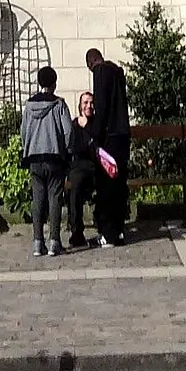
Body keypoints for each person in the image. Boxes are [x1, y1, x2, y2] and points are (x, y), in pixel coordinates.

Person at [19, 63, 73, 257]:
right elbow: (68, 131)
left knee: (38, 199)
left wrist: (29, 147)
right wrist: (67, 151)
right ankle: (54, 242)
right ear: (54, 83)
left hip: (34, 157)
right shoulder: (59, 104)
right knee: (55, 198)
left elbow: (23, 132)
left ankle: (37, 242)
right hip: (54, 157)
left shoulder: (29, 106)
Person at [85, 46, 131, 246]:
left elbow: (102, 108)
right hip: (123, 136)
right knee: (119, 184)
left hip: (109, 139)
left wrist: (94, 135)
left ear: (91, 63)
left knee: (106, 185)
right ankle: (119, 230)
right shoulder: (117, 73)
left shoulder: (100, 72)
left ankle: (108, 234)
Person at [64, 87, 101, 249]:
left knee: (102, 182)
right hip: (78, 167)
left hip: (95, 167)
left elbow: (97, 148)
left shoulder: (97, 124)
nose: (89, 106)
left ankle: (103, 225)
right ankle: (76, 231)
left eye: (91, 103)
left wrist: (87, 128)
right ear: (80, 106)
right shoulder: (74, 124)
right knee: (74, 185)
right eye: (85, 102)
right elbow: (75, 147)